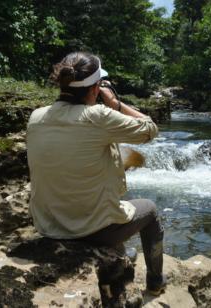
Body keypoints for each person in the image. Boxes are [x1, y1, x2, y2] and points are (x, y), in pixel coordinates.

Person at [26, 52, 166, 295]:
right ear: (95, 89)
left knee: (101, 199)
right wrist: (115, 103)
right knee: (150, 210)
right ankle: (156, 283)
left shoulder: (37, 116)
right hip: (89, 230)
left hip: (48, 225)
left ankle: (117, 254)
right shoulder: (99, 116)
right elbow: (150, 129)